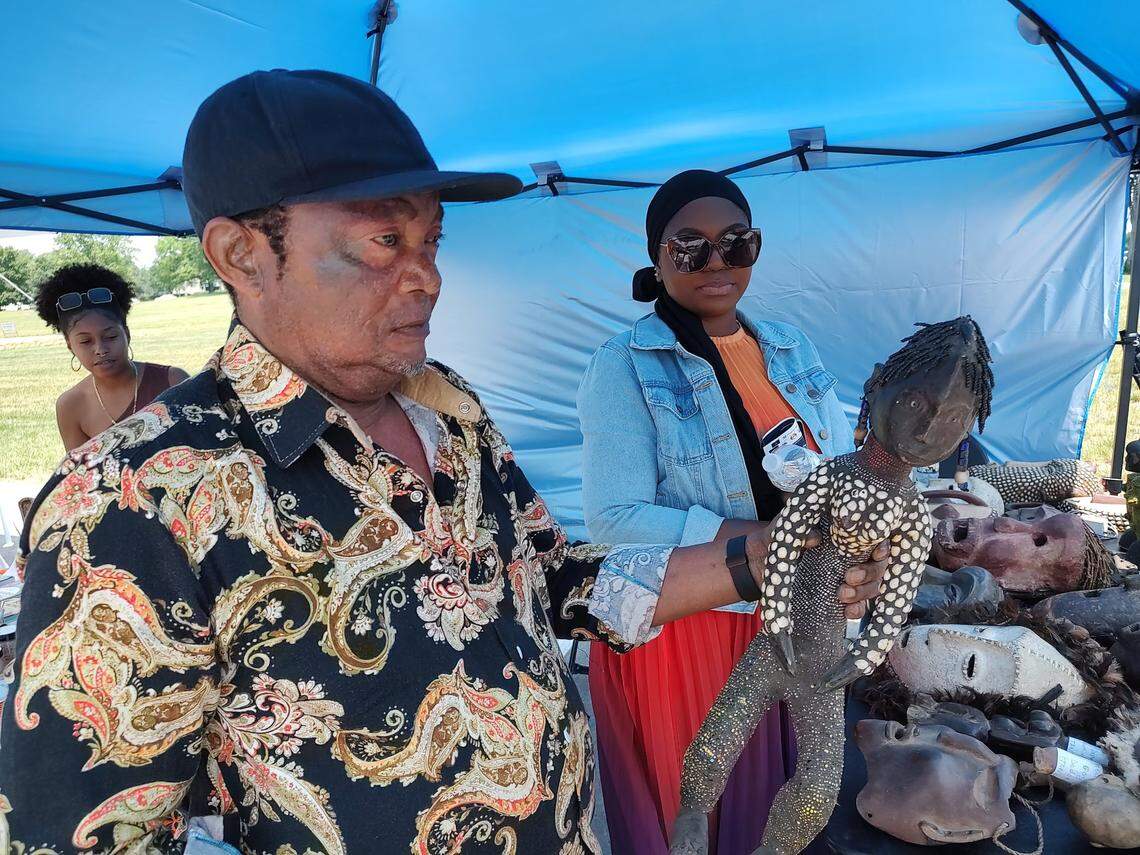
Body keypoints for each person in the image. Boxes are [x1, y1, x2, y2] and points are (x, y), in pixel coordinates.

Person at [0, 72, 886, 852]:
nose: (426, 275)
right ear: (242, 254)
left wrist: (764, 555)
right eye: (385, 242)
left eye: (431, 241)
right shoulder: (129, 501)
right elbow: (86, 834)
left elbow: (554, 578)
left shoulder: (445, 406)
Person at [578, 170, 872, 854]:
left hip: (797, 611)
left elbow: (839, 471)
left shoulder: (791, 346)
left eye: (737, 243)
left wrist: (858, 541)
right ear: (657, 258)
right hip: (692, 628)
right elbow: (613, 520)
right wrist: (771, 542)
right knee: (707, 815)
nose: (717, 262)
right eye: (691, 246)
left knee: (785, 805)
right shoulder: (623, 366)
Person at [34, 263, 189, 450]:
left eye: (110, 337)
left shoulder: (173, 380)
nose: (100, 349)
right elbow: (80, 468)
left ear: (127, 334)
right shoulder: (71, 406)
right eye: (85, 341)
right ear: (70, 346)